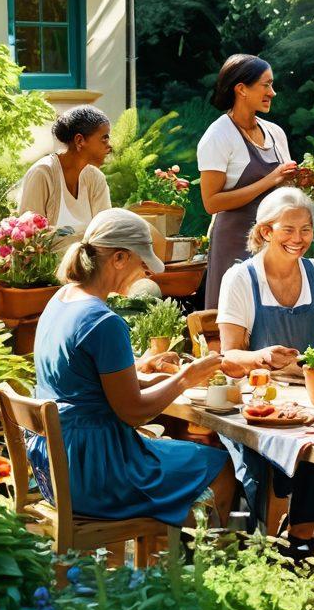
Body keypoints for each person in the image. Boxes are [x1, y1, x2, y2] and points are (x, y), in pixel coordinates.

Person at [26, 208, 234, 526]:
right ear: (119, 258)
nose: (146, 273)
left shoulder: (62, 299)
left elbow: (86, 381)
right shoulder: (103, 321)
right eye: (142, 262)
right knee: (218, 465)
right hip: (95, 474)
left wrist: (140, 367)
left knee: (176, 458)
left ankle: (163, 561)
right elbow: (134, 412)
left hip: (52, 468)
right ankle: (203, 566)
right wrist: (185, 378)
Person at [217, 187, 314, 547]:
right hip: (258, 400)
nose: (298, 239)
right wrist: (260, 357)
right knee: (258, 461)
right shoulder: (241, 279)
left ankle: (299, 541)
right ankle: (256, 543)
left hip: (313, 398)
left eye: (306, 230)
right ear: (266, 231)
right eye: (288, 229)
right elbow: (229, 358)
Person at [198, 55, 298, 308]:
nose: (272, 92)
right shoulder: (218, 136)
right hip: (235, 245)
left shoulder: (275, 132)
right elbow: (211, 203)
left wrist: (303, 182)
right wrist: (270, 179)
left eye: (272, 85)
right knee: (236, 319)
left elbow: (284, 187)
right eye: (265, 85)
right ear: (241, 89)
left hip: (276, 245)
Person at [18, 106, 112, 252]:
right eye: (104, 138)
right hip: (47, 272)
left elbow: (106, 232)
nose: (109, 146)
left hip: (90, 270)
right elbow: (28, 239)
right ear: (80, 140)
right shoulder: (42, 174)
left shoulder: (96, 178)